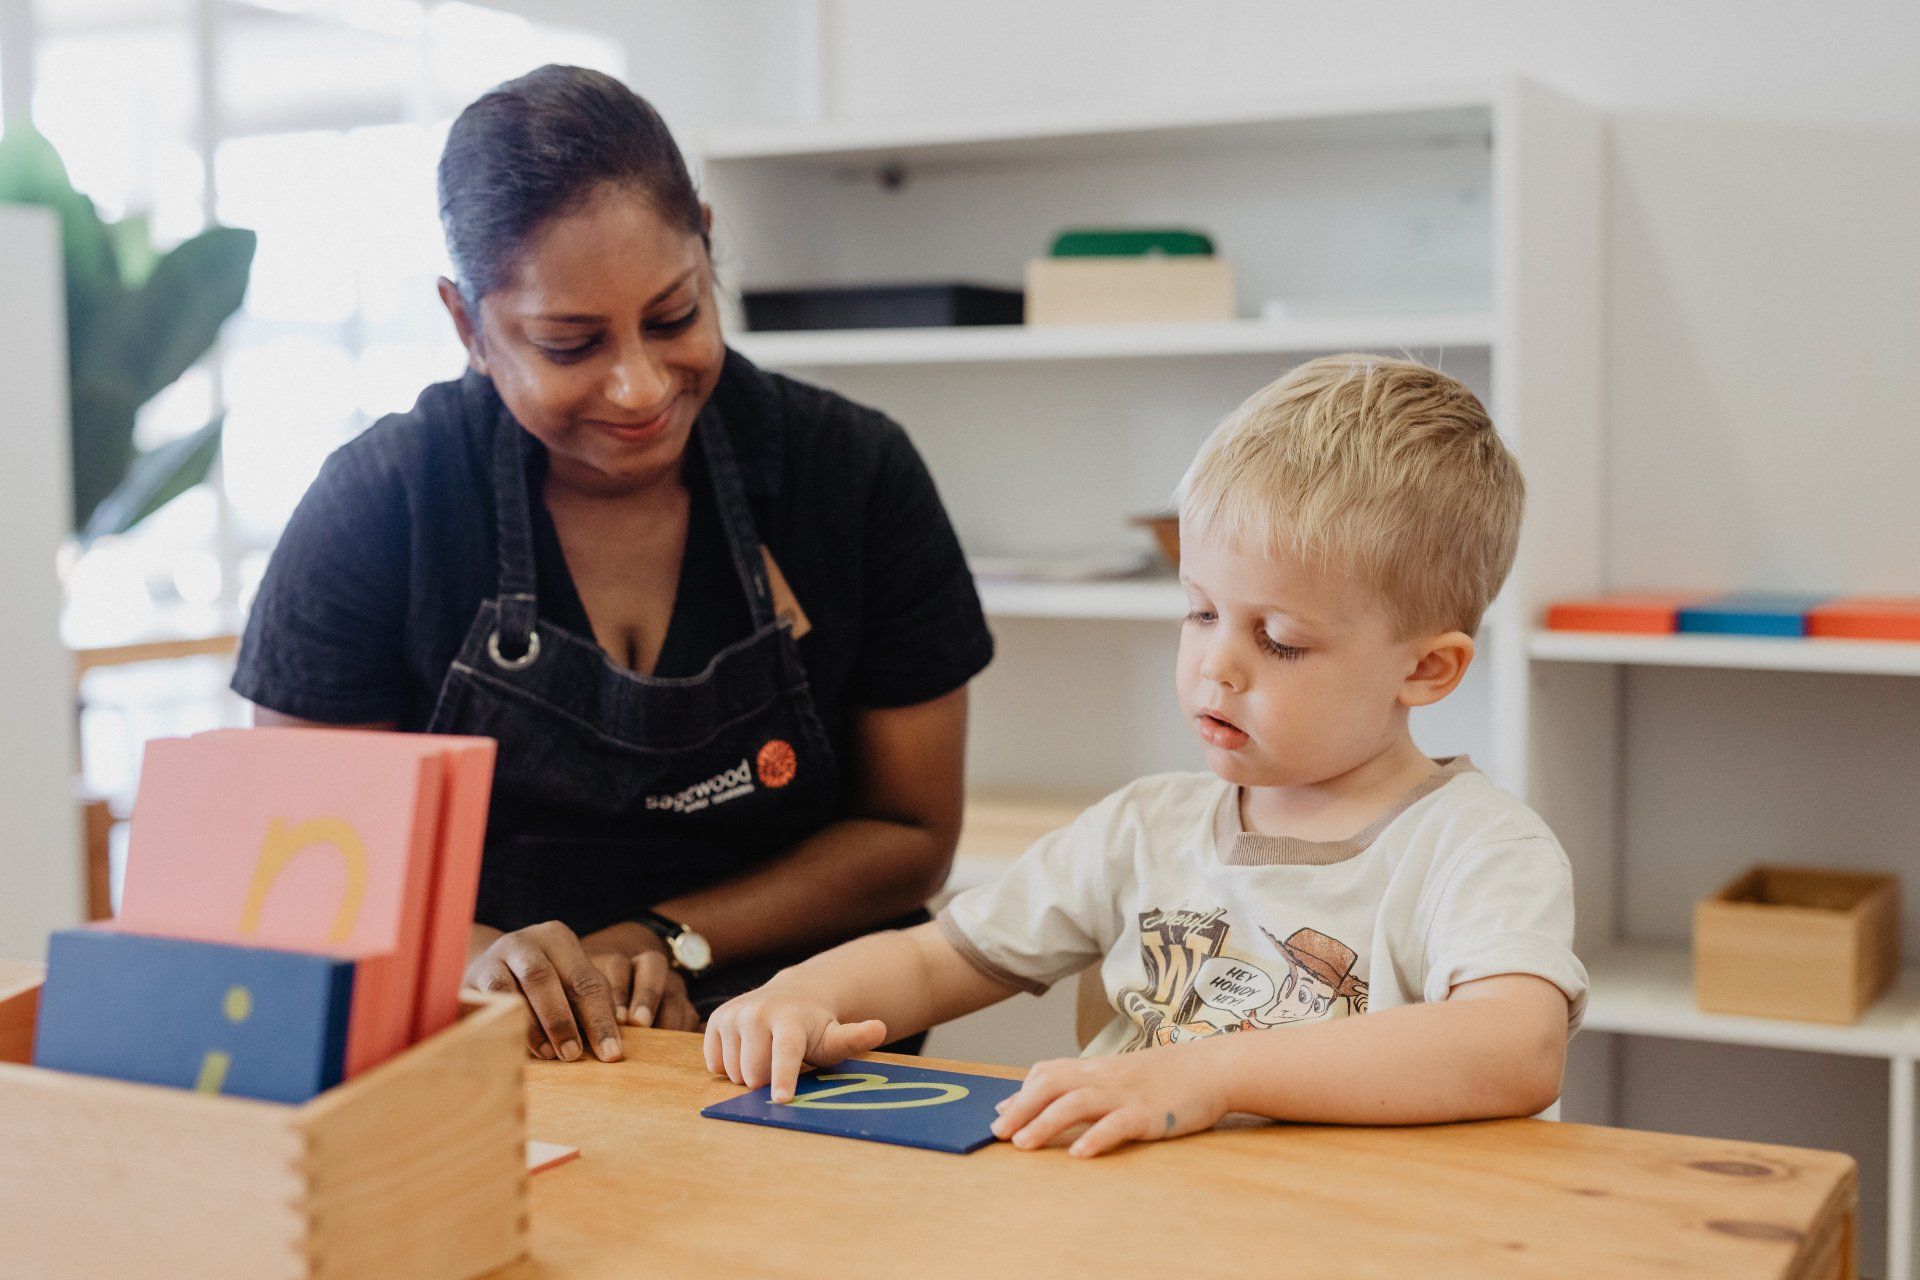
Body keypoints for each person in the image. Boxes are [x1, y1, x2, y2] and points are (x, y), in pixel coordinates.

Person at [230, 65, 993, 1063]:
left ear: (707, 245)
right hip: (485, 1045)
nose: (638, 386)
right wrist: (487, 961)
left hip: (799, 1042)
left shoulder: (851, 474)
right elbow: (304, 867)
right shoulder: (385, 502)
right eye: (569, 342)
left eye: (675, 316)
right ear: (468, 325)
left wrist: (663, 935)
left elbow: (908, 832)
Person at [705, 354, 1588, 1156]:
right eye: (1201, 611)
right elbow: (941, 960)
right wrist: (806, 994)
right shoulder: (1143, 830)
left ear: (1427, 670)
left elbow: (1515, 1045)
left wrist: (1209, 1075)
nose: (1218, 664)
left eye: (1278, 639)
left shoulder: (1476, 849)